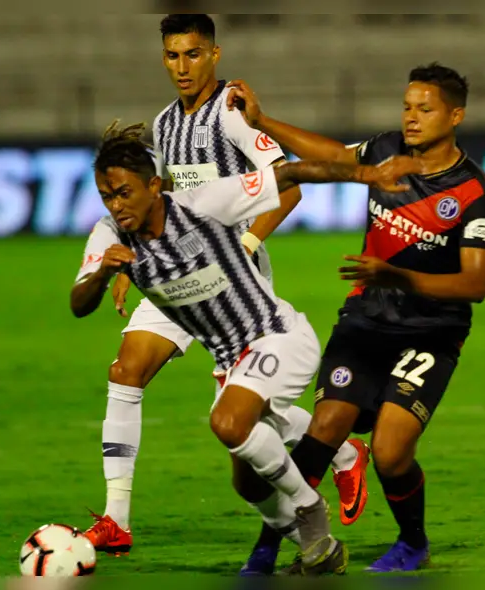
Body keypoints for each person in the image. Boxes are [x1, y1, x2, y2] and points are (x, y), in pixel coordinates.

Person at [76, 14, 369, 567]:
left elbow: (287, 186)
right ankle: (117, 519)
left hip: (231, 280)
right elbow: (153, 202)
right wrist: (123, 265)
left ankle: (342, 450)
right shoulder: (164, 125)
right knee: (126, 369)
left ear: (214, 54)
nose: (181, 67)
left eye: (192, 54)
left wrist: (251, 244)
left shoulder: (230, 115)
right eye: (172, 56)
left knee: (239, 418)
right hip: (172, 274)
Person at [73, 121, 422, 573]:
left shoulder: (204, 203)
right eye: (106, 196)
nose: (115, 206)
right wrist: (102, 273)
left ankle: (310, 510)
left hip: (278, 335)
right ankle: (319, 550)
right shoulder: (109, 234)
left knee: (228, 422)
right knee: (249, 485)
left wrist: (364, 176)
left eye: (123, 193)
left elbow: (289, 176)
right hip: (231, 362)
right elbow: (79, 303)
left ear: (154, 186)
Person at [225, 62, 485, 572]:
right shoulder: (386, 150)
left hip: (431, 332)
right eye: (407, 106)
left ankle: (412, 543)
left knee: (392, 450)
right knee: (324, 429)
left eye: (426, 108)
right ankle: (267, 551)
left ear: (456, 115)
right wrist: (263, 122)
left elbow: (475, 285)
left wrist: (400, 278)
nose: (412, 118)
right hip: (366, 321)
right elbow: (331, 156)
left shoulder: (473, 193)